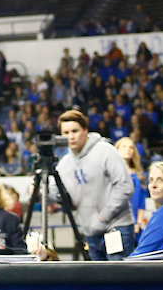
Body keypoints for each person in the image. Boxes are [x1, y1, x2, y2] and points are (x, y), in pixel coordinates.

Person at [54, 110, 136, 260]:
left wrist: (103, 217)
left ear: (85, 130)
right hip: (90, 233)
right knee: (98, 281)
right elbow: (56, 195)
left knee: (118, 279)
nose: (70, 136)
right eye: (65, 132)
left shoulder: (105, 151)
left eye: (75, 131)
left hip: (116, 228)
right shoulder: (64, 164)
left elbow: (125, 186)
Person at [115, 137, 148, 233]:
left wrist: (138, 223)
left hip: (135, 224)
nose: (128, 149)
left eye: (131, 147)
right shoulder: (112, 173)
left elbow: (142, 202)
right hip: (118, 222)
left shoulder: (138, 175)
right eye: (124, 146)